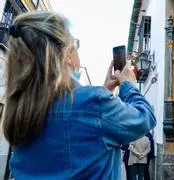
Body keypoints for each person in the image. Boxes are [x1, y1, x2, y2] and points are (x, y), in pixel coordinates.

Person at [2, 11, 156, 179]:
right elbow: (145, 117)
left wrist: (103, 93)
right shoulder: (93, 103)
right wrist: (128, 85)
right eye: (74, 44)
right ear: (65, 54)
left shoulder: (18, 111)